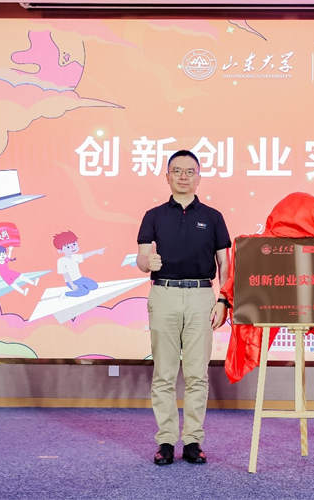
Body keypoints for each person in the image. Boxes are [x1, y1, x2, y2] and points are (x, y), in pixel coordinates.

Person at [136, 150, 231, 466]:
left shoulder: (213, 217)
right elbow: (141, 258)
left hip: (201, 296)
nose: (183, 176)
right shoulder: (153, 216)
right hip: (163, 294)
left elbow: (225, 264)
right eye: (177, 171)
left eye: (190, 171)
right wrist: (147, 262)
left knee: (196, 374)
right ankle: (165, 441)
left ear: (198, 177)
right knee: (163, 373)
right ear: (167, 176)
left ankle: (192, 441)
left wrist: (223, 299)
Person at [53, 231, 104, 297]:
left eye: (74, 244)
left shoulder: (75, 257)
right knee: (84, 292)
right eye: (68, 247)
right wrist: (72, 285)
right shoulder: (61, 261)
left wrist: (97, 251)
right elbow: (65, 274)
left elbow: (84, 255)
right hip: (71, 281)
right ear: (60, 250)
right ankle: (66, 294)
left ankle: (82, 287)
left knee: (94, 286)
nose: (72, 248)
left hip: (80, 278)